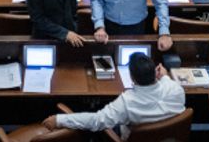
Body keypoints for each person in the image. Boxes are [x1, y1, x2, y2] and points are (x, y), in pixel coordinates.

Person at [42, 54, 185, 139]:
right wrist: (165, 76)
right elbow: (166, 82)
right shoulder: (176, 89)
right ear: (155, 73)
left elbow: (96, 121)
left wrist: (59, 120)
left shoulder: (127, 102)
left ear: (132, 78)